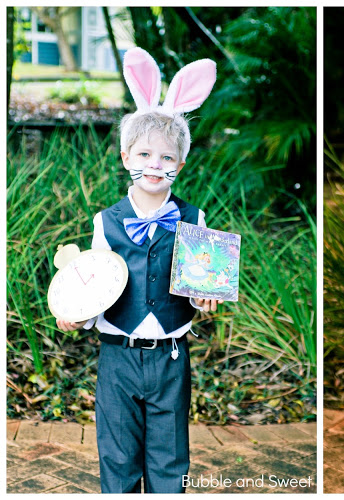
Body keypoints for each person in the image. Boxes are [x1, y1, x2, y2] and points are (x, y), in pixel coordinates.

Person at [56, 47, 220, 493]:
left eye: (167, 158)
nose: (155, 165)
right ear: (127, 157)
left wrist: (206, 301)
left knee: (170, 457)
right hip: (117, 355)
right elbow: (95, 280)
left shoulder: (195, 219)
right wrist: (75, 313)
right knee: (118, 455)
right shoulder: (104, 221)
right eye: (145, 154)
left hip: (170, 354)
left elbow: (201, 282)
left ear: (180, 166)